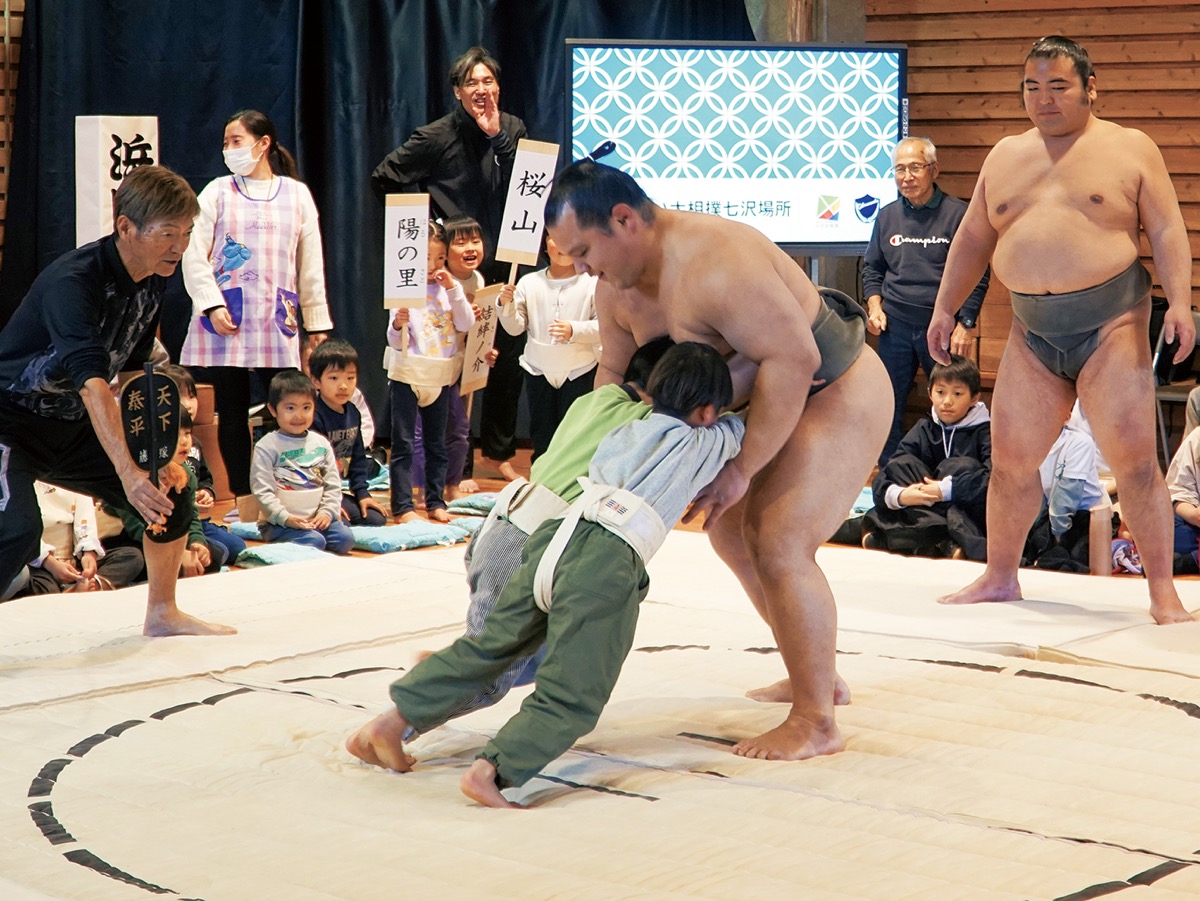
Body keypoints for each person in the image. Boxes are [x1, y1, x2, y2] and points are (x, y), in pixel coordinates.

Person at [543, 160, 892, 761]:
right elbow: (614, 382)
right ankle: (817, 673)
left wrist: (741, 469)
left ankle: (816, 720)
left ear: (623, 220)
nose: (578, 267)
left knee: (779, 537)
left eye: (582, 250)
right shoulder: (614, 289)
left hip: (834, 386)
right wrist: (585, 475)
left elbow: (793, 359)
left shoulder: (714, 260)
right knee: (730, 533)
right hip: (758, 401)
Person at [346, 342, 744, 808]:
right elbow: (742, 422)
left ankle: (404, 709)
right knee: (573, 687)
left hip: (547, 535)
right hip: (601, 554)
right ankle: (492, 770)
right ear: (707, 410)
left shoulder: (615, 420)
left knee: (492, 648)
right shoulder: (705, 438)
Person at [926, 35, 1194, 624]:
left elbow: (1168, 229)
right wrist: (945, 309)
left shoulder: (1130, 147)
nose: (1043, 99)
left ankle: (1162, 595)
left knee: (1137, 465)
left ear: (1089, 88)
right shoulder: (1004, 155)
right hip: (1031, 329)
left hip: (1113, 322)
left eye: (1058, 86)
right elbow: (972, 237)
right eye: (1032, 87)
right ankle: (1000, 576)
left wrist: (1179, 302)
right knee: (1013, 462)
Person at [0, 165, 234, 635]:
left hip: (71, 424)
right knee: (16, 528)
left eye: (186, 233)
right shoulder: (74, 282)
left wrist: (152, 456)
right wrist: (127, 472)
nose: (180, 247)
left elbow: (131, 369)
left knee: (168, 487)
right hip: (10, 420)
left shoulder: (153, 276)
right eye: (168, 234)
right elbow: (92, 383)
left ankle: (162, 613)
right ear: (125, 226)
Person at [371, 46, 529, 485]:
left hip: (505, 259)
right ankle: (447, 462)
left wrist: (497, 136)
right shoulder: (436, 136)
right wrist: (428, 231)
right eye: (472, 83)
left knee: (503, 358)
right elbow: (384, 177)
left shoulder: (512, 128)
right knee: (450, 357)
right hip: (452, 265)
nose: (482, 90)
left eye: (489, 81)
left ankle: (497, 453)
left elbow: (527, 184)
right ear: (458, 91)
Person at [180, 109, 334, 525]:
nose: (228, 149)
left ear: (263, 143)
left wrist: (316, 322)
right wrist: (210, 302)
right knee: (230, 411)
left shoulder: (296, 194)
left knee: (287, 404)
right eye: (226, 142)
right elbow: (194, 254)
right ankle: (246, 503)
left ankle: (293, 498)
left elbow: (310, 262)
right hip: (227, 315)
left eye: (236, 141)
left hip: (276, 317)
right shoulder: (216, 191)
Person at [863, 137, 990, 466]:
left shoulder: (958, 214)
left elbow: (977, 273)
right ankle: (890, 469)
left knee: (951, 401)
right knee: (887, 400)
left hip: (943, 329)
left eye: (915, 167)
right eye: (899, 169)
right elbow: (873, 268)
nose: (907, 176)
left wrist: (966, 324)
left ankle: (951, 468)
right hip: (895, 328)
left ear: (934, 170)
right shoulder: (887, 216)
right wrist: (874, 307)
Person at [385, 222, 475, 524]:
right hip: (408, 375)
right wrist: (398, 324)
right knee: (405, 443)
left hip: (440, 375)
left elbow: (465, 324)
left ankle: (435, 501)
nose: (433, 266)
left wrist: (453, 289)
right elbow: (395, 340)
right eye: (426, 258)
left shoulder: (451, 289)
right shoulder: (402, 287)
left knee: (438, 443)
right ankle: (403, 506)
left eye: (439, 258)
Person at [861, 355, 991, 561]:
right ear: (930, 393)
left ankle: (896, 537)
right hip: (925, 503)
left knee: (961, 467)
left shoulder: (986, 431)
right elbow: (891, 471)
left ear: (974, 398)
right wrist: (902, 496)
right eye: (941, 392)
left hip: (967, 509)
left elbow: (994, 481)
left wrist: (945, 490)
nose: (947, 401)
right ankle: (940, 540)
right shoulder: (924, 427)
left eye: (957, 393)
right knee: (902, 464)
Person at [498, 232, 601, 461]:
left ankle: (572, 487)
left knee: (575, 435)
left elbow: (603, 328)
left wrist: (574, 330)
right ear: (545, 244)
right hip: (539, 370)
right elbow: (515, 328)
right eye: (554, 237)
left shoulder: (591, 282)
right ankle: (542, 484)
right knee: (542, 433)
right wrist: (505, 305)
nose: (561, 244)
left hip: (579, 370)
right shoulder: (529, 282)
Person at [250, 369, 355, 554]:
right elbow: (262, 491)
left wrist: (326, 513)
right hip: (280, 523)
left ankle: (315, 534)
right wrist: (286, 518)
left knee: (345, 540)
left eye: (306, 408)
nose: (299, 416)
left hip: (316, 519)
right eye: (290, 408)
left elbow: (333, 485)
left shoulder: (320, 443)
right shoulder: (267, 446)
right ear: (273, 410)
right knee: (313, 542)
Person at [161, 363, 247, 568]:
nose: (189, 404)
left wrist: (206, 492)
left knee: (237, 547)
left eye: (192, 396)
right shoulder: (160, 445)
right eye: (180, 397)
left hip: (197, 521)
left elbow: (205, 477)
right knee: (220, 553)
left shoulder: (194, 443)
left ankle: (200, 547)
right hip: (169, 523)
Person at [114, 409, 217, 577]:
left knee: (216, 554)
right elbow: (136, 526)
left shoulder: (186, 475)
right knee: (135, 559)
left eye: (187, 433)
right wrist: (175, 553)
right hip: (136, 539)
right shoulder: (135, 474)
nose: (184, 442)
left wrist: (196, 543)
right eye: (176, 436)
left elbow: (191, 517)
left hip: (173, 537)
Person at [308, 338, 388, 527]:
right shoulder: (313, 416)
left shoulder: (353, 412)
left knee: (375, 519)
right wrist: (325, 504)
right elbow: (309, 468)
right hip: (313, 494)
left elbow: (358, 457)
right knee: (339, 525)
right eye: (334, 378)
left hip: (335, 490)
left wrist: (362, 494)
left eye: (350, 378)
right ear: (316, 381)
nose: (343, 385)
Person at [12, 483, 144, 595]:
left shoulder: (71, 472)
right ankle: (75, 592)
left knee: (132, 556)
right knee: (37, 583)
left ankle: (92, 585)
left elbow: (85, 518)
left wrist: (89, 553)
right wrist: (49, 562)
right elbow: (20, 529)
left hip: (73, 559)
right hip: (38, 562)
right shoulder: (16, 477)